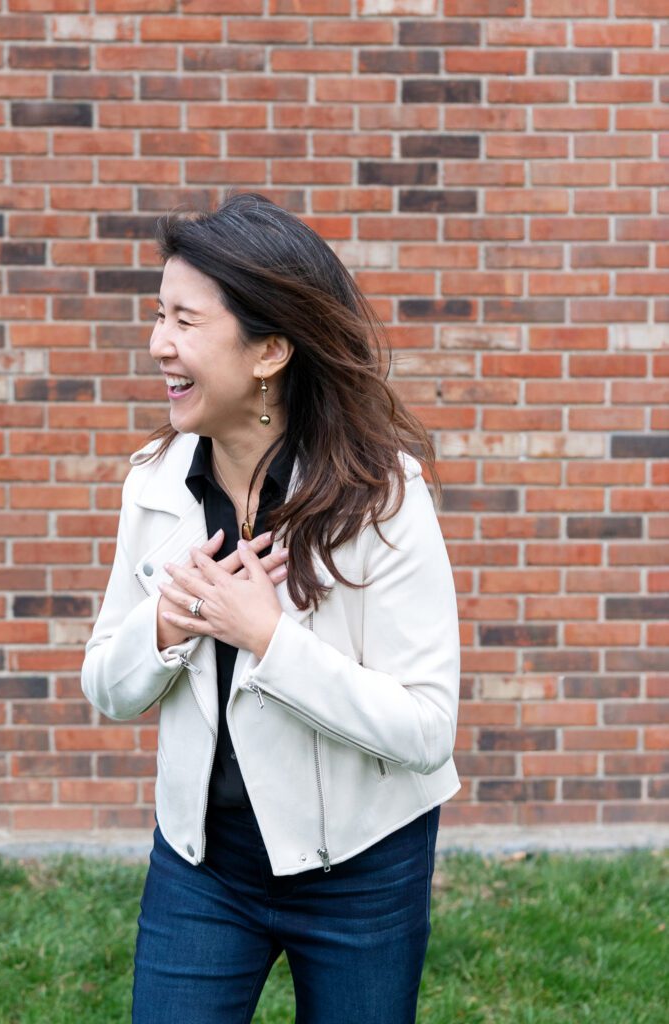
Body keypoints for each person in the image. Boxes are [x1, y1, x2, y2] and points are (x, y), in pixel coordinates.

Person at [80, 192, 461, 1024]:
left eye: (185, 321)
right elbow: (106, 687)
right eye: (157, 316)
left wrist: (269, 640)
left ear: (270, 352)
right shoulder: (153, 484)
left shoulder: (382, 499)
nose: (159, 344)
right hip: (201, 865)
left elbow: (427, 730)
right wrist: (167, 626)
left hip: (362, 870)